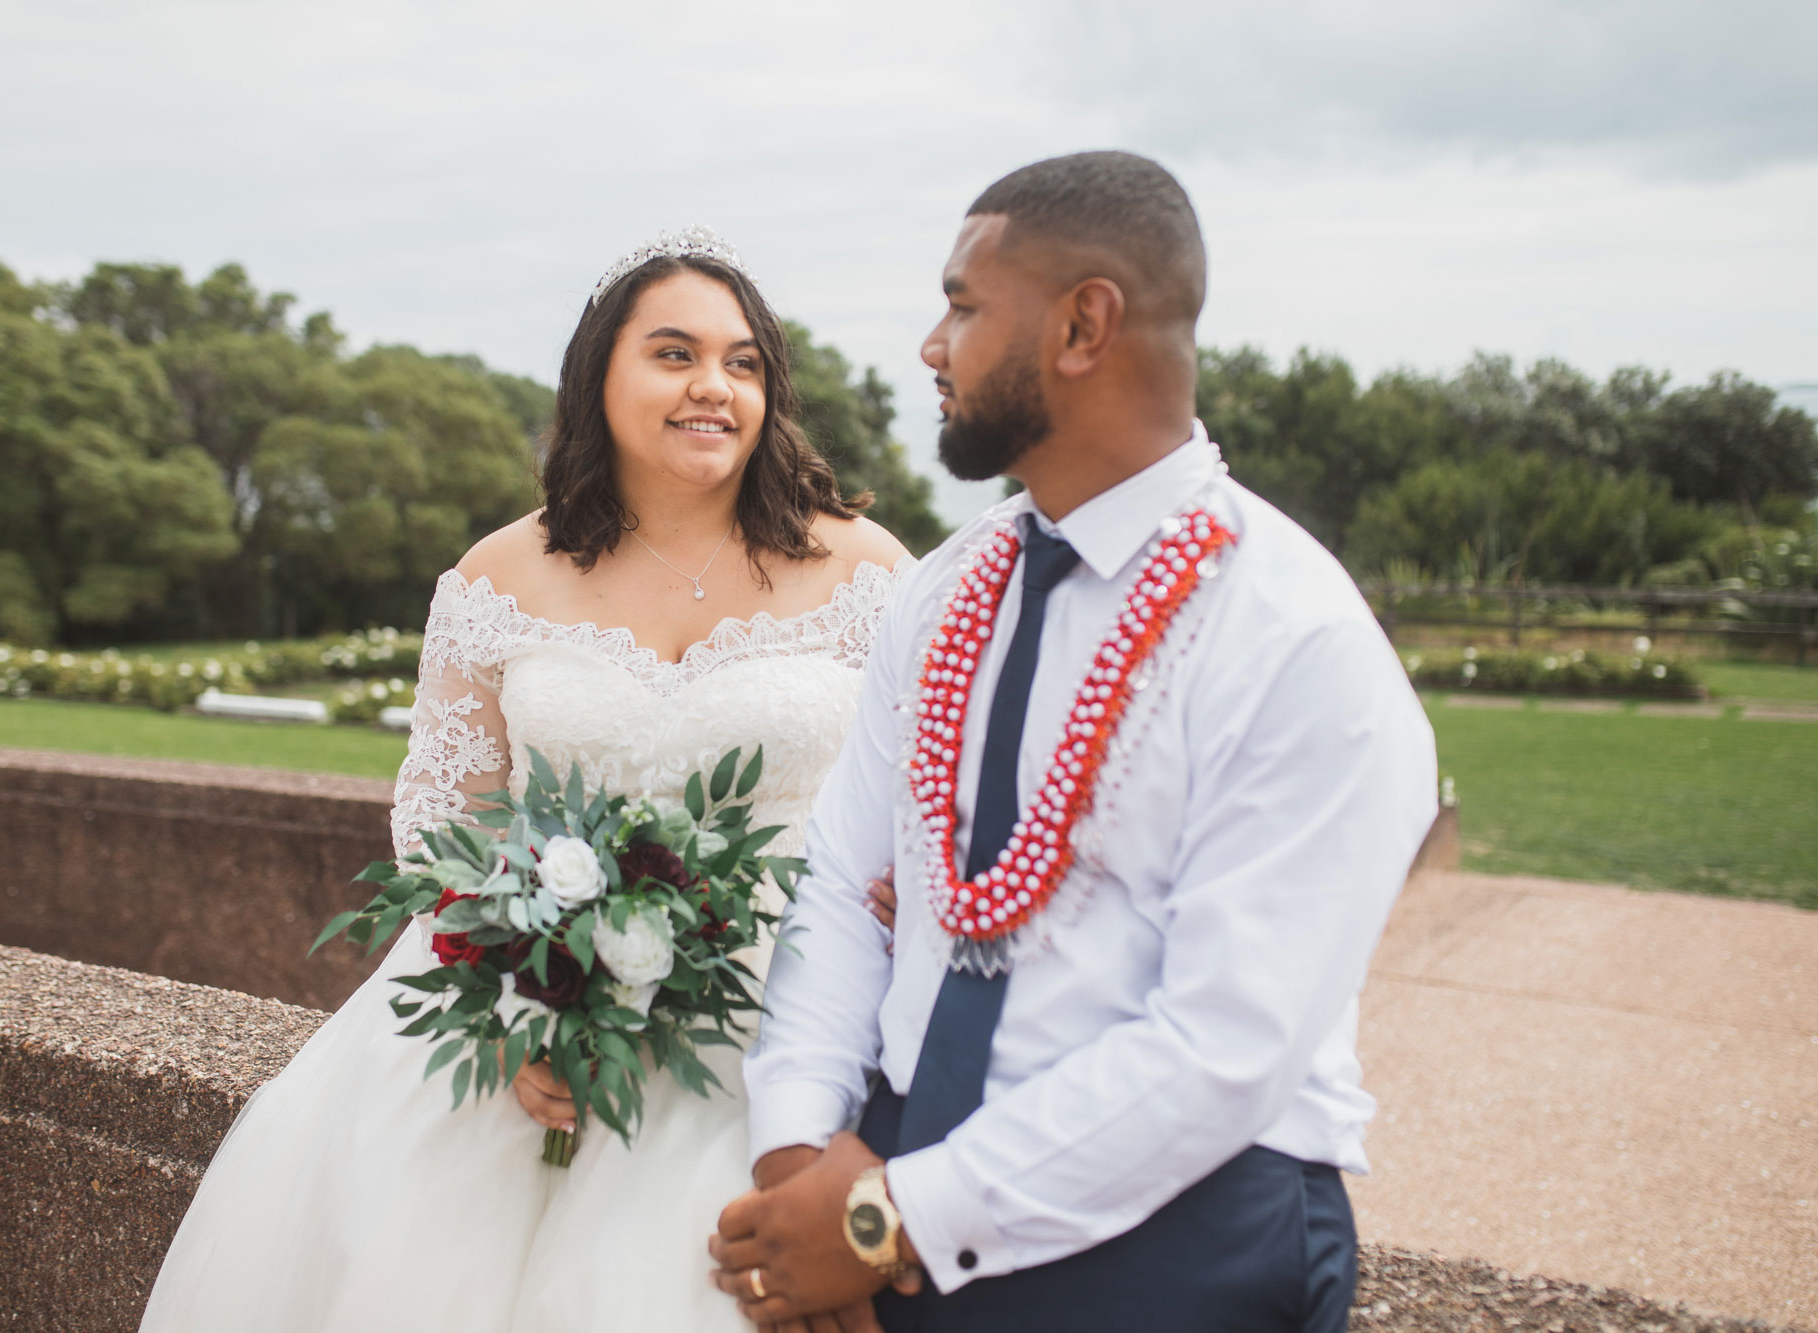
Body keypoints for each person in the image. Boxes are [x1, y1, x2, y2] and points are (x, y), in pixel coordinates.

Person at [710, 152, 1438, 1332]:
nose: (930, 346)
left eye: (959, 303)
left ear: (1081, 324)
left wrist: (882, 1218)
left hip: (1168, 1232)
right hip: (881, 1179)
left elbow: (1221, 1044)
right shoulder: (943, 593)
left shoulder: (1295, 641)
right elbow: (843, 882)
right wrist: (799, 1154)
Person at [138, 226, 912, 1332]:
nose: (713, 387)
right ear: (598, 375)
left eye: (743, 363)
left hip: (789, 1014)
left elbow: (936, 804)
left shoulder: (870, 572)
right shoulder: (496, 576)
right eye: (673, 354)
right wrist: (511, 1005)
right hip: (538, 1011)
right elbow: (447, 823)